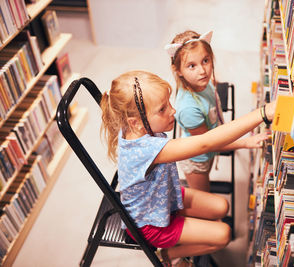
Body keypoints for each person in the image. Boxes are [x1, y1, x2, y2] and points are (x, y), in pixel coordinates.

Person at [100, 70, 275, 265]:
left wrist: (243, 143)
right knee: (224, 235)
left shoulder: (133, 127)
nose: (173, 111)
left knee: (221, 207)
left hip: (164, 197)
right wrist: (263, 113)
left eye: (169, 103)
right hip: (150, 224)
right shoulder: (146, 150)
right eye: (162, 109)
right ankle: (166, 255)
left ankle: (182, 240)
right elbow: (205, 143)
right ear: (136, 123)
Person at [166, 30, 269, 192]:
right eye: (191, 66)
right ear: (178, 70)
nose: (202, 71)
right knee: (203, 195)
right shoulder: (188, 109)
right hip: (196, 160)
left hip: (209, 148)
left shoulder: (202, 82)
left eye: (205, 61)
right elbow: (209, 143)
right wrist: (245, 142)